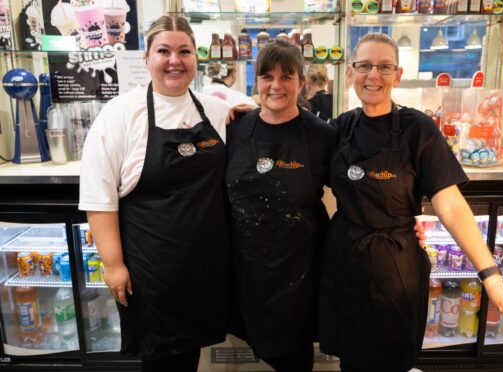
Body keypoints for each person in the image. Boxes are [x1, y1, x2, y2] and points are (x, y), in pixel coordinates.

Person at [318, 32, 503, 372]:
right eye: (364, 66)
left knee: (390, 360)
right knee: (351, 361)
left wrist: (493, 280)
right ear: (350, 72)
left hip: (395, 269)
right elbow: (297, 146)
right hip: (345, 264)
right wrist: (246, 115)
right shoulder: (341, 127)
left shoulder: (417, 129)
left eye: (384, 67)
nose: (373, 75)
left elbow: (450, 205)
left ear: (397, 75)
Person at [78, 15, 231, 372]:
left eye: (184, 51)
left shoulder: (217, 110)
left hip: (204, 267)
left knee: (188, 357)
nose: (174, 60)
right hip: (151, 269)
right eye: (163, 51)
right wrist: (114, 266)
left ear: (196, 58)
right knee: (162, 360)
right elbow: (99, 198)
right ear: (147, 57)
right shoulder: (119, 114)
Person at [225, 38, 338, 372]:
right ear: (256, 81)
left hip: (298, 273)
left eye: (286, 76)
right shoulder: (236, 128)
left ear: (301, 83)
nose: (276, 85)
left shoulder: (321, 136)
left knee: (294, 357)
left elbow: (354, 191)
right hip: (246, 269)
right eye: (267, 76)